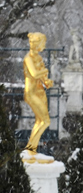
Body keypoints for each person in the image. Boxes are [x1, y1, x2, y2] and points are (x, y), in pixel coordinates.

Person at [22, 32, 54, 163]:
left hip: (40, 92)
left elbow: (41, 78)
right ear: (36, 44)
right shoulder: (28, 58)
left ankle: (31, 150)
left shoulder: (39, 58)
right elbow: (34, 74)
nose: (44, 46)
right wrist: (45, 71)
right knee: (45, 121)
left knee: (40, 120)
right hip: (31, 93)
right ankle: (30, 149)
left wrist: (47, 82)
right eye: (43, 43)